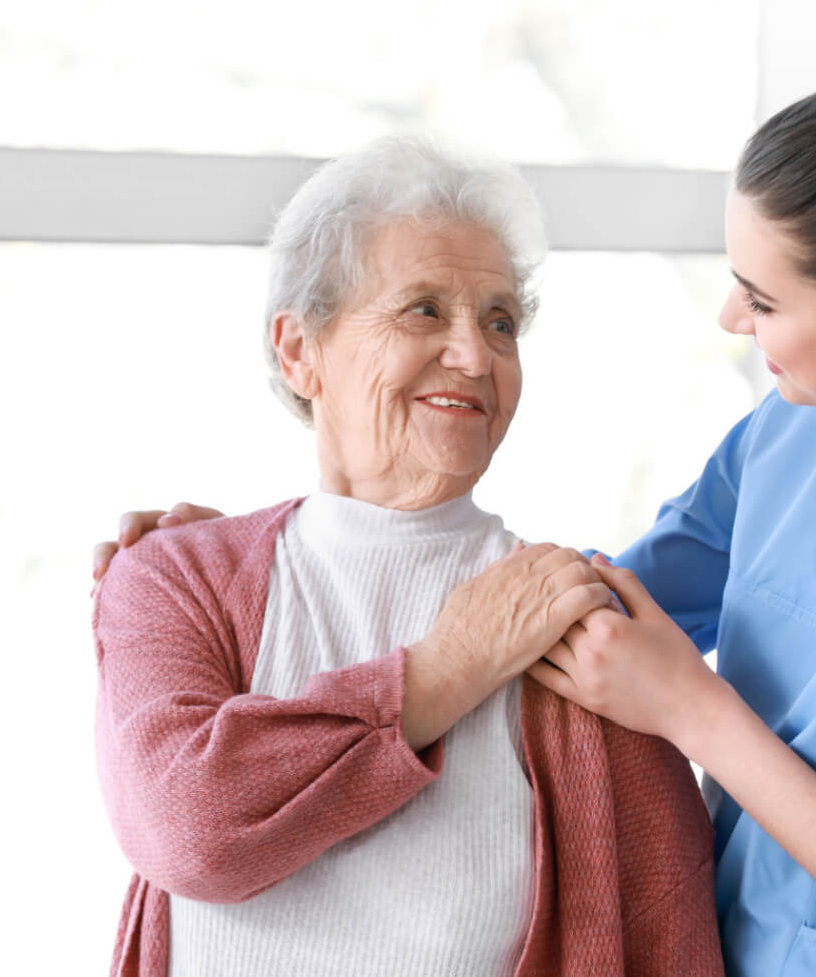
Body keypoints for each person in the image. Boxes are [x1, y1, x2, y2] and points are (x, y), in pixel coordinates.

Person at [96, 72, 816, 977]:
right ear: (299, 349)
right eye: (422, 309)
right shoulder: (800, 435)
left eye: (761, 301)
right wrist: (237, 556)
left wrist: (697, 714)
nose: (729, 318)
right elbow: (599, 602)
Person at [91, 136, 723, 977]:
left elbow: (666, 938)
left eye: (500, 321)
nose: (474, 355)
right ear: (298, 351)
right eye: (423, 310)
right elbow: (191, 831)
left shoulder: (576, 625)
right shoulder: (173, 575)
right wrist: (444, 669)